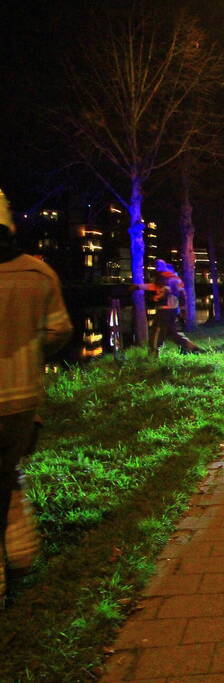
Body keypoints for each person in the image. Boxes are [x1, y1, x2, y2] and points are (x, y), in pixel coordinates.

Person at [0, 189, 72, 603]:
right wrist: (27, 350)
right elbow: (59, 330)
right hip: (22, 398)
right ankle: (22, 550)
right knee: (8, 473)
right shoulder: (37, 273)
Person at [147, 260, 200, 356]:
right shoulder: (176, 279)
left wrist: (156, 297)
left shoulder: (164, 277)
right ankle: (191, 347)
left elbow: (162, 290)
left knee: (157, 331)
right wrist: (182, 310)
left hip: (164, 310)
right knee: (172, 333)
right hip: (173, 310)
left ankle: (153, 352)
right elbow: (182, 295)